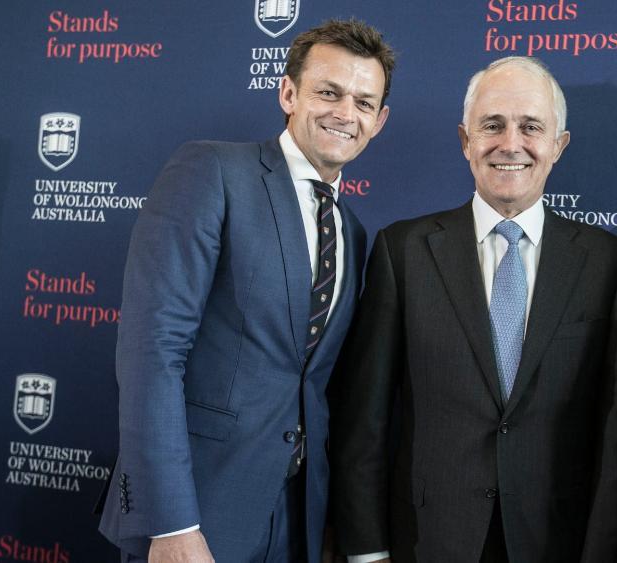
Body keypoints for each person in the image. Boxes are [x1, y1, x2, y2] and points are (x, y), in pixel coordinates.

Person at [97, 19, 394, 562]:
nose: (344, 113)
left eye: (363, 102)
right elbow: (152, 350)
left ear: (379, 120)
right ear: (287, 92)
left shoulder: (352, 230)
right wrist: (172, 523)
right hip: (200, 514)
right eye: (328, 92)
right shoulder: (211, 171)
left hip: (298, 522)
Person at [329, 56, 617, 563]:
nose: (509, 143)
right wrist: (365, 550)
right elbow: (366, 419)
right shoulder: (403, 250)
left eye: (530, 127)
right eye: (492, 125)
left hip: (558, 540)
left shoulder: (610, 263)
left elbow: (616, 427)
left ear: (558, 146)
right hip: (429, 541)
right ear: (466, 140)